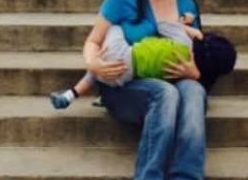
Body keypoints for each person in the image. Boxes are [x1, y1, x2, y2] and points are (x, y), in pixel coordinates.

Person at [81, 0, 209, 180]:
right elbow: (92, 41)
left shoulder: (186, 3)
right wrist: (94, 63)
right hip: (125, 88)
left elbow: (193, 53)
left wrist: (195, 72)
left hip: (171, 84)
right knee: (165, 93)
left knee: (192, 89)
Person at [51, 13, 202, 109]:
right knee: (99, 71)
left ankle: (69, 96)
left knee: (113, 27)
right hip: (125, 78)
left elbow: (163, 24)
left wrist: (183, 26)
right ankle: (89, 95)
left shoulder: (184, 44)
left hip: (121, 56)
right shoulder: (182, 71)